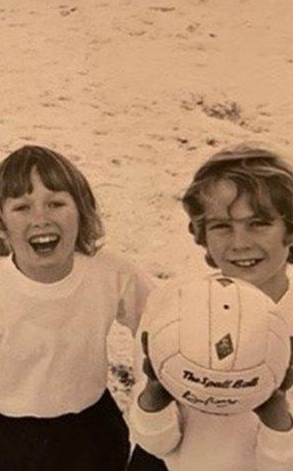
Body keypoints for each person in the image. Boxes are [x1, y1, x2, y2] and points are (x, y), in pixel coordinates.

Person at [0, 144, 153, 470]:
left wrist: (150, 390)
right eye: (22, 207)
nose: (41, 218)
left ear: (82, 211)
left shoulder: (110, 272)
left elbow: (161, 325)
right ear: (0, 226)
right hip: (7, 441)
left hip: (91, 433)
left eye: (56, 203)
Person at [128, 144, 293, 471]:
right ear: (202, 235)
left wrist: (278, 421)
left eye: (258, 223)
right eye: (221, 226)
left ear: (290, 230)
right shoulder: (171, 303)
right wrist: (155, 397)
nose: (240, 242)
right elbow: (154, 442)